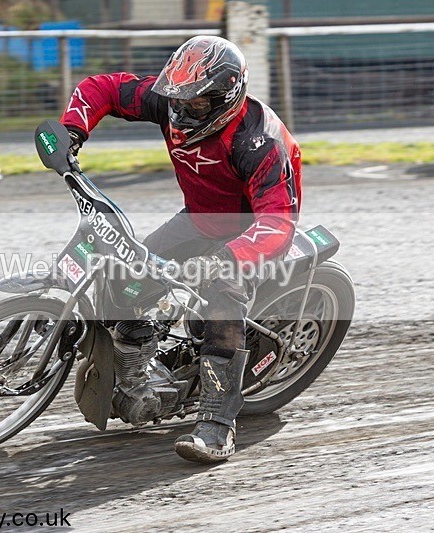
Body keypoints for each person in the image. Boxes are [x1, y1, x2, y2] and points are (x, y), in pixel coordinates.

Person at [59, 36, 302, 463]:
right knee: (126, 279)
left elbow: (279, 222)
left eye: (195, 106)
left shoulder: (260, 143)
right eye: (177, 99)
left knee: (222, 304)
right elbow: (105, 88)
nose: (180, 113)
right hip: (197, 219)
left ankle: (217, 425)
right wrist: (72, 131)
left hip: (249, 236)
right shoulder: (175, 100)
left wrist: (226, 259)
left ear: (226, 98)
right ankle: (134, 374)